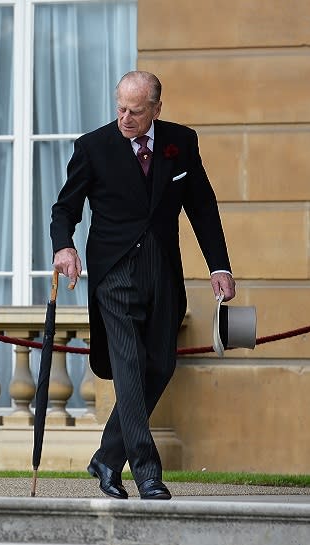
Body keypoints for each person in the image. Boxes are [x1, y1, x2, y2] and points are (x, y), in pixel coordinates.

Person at [50, 71, 235, 500]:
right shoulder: (93, 147)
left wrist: (219, 267)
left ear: (156, 108)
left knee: (161, 367)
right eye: (120, 108)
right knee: (129, 367)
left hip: (163, 269)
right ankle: (147, 472)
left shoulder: (180, 142)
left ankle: (107, 458)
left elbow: (202, 207)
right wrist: (64, 247)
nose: (125, 118)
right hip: (113, 272)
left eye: (135, 111)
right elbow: (65, 208)